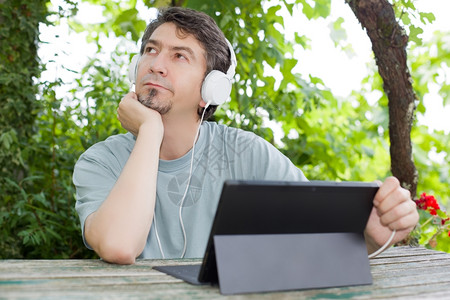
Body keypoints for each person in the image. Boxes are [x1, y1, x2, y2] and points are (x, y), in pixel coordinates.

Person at [73, 7, 419, 264]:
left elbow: (322, 241)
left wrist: (371, 236)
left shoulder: (248, 154)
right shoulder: (101, 161)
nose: (155, 64)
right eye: (151, 50)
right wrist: (150, 131)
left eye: (179, 56)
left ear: (212, 88)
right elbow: (119, 246)